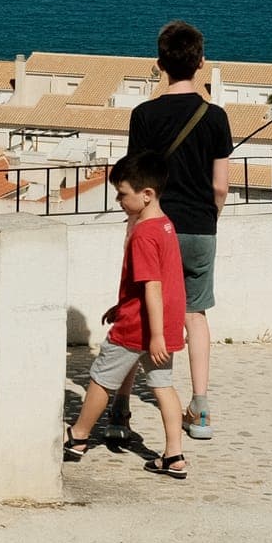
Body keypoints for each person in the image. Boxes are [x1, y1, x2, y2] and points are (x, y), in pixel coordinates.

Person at [124, 20, 232, 440]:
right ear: (200, 62)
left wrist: (134, 229)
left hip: (155, 228)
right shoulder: (216, 117)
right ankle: (200, 408)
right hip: (201, 228)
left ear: (159, 64)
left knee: (140, 310)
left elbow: (136, 184)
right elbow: (220, 186)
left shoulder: (143, 116)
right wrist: (209, 218)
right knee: (195, 315)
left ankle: (119, 410)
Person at [63, 152, 189, 480]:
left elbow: (152, 286)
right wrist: (124, 307)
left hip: (139, 327)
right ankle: (174, 454)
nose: (118, 200)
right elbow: (156, 284)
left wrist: (153, 334)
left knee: (101, 379)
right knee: (164, 386)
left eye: (122, 194)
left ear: (146, 194)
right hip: (164, 322)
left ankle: (78, 436)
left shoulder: (144, 234)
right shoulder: (166, 225)